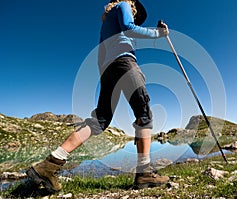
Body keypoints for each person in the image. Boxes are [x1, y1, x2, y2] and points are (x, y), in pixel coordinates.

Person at [26, 0, 169, 192]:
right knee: (144, 114)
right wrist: (158, 34)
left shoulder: (106, 24)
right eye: (135, 12)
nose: (135, 15)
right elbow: (129, 27)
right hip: (125, 63)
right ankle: (143, 174)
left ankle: (51, 163)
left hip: (107, 70)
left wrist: (106, 75)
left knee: (100, 120)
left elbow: (101, 55)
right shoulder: (124, 6)